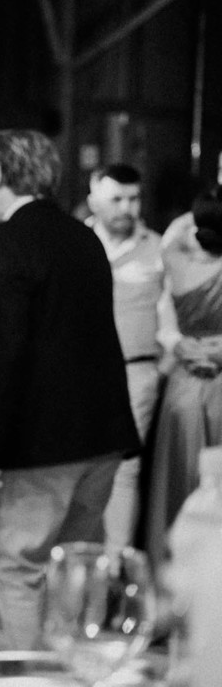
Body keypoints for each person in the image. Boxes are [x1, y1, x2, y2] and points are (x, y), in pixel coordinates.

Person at [0, 129, 138, 650]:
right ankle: (70, 672)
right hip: (102, 436)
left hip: (40, 442)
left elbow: (3, 351)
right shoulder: (84, 237)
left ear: (1, 174)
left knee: (18, 569)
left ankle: (35, 678)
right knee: (73, 570)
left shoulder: (4, 240)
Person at [85, 164, 176, 551]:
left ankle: (115, 566)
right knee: (79, 466)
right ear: (94, 201)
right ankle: (77, 563)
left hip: (136, 372)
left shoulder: (158, 248)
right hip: (79, 374)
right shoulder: (76, 243)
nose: (126, 207)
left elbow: (171, 314)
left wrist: (160, 370)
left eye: (134, 198)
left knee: (123, 470)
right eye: (117, 199)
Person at [145, 185, 222, 566]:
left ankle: (170, 569)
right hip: (219, 381)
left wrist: (203, 208)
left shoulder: (175, 259)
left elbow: (175, 233)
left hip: (185, 382)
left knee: (177, 477)